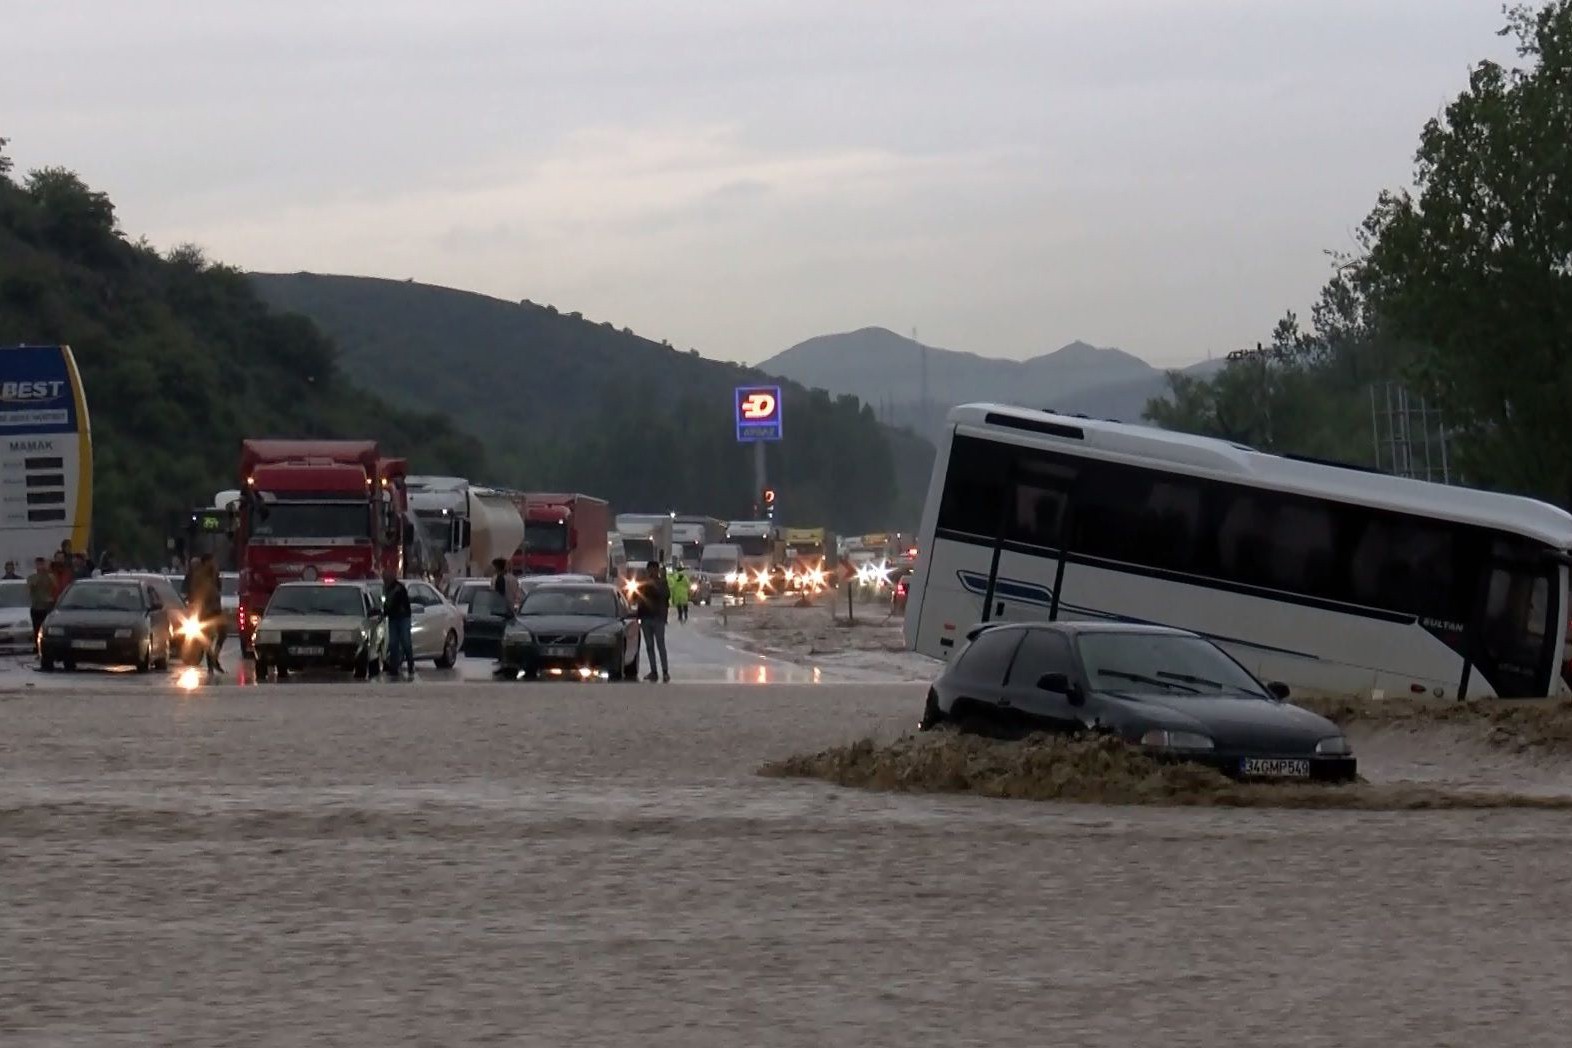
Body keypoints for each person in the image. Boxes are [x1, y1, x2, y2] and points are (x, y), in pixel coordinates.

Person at [632, 559, 670, 682]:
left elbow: (665, 596)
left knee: (660, 645)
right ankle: (654, 671)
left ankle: (665, 672)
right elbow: (635, 598)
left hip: (658, 618)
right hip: (645, 617)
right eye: (650, 569)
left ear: (657, 570)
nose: (652, 572)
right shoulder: (643, 582)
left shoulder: (662, 582)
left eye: (655, 569)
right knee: (649, 646)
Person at [188, 553, 225, 674]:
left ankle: (214, 658)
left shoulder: (215, 575)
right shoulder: (199, 576)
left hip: (216, 609)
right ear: (205, 562)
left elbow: (218, 589)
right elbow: (196, 594)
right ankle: (211, 664)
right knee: (208, 638)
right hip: (205, 611)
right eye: (211, 561)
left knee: (222, 633)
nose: (214, 564)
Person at [382, 568, 415, 681]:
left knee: (406, 642)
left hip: (402, 618)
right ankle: (394, 667)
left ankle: (410, 664)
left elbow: (396, 604)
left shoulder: (399, 589)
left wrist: (386, 612)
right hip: (393, 619)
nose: (385, 580)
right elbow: (386, 604)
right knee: (393, 643)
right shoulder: (386, 589)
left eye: (386, 578)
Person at [27, 557, 54, 652]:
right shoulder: (32, 577)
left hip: (46, 608)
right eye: (38, 564)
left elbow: (54, 585)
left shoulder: (50, 576)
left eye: (42, 564)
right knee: (36, 629)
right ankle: (37, 648)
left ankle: (47, 648)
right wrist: (39, 577)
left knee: (46, 629)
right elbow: (30, 586)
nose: (40, 566)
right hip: (36, 607)